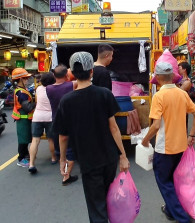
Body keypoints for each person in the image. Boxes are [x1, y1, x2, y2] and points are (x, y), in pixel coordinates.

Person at [53, 51, 129, 223]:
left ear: (71, 73)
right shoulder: (104, 94)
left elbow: (63, 136)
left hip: (88, 161)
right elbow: (114, 128)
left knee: (96, 206)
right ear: (92, 71)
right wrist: (123, 156)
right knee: (109, 195)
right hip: (109, 158)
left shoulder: (66, 101)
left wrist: (62, 159)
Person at [142, 61, 195, 223]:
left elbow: (155, 126)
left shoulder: (159, 96)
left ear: (159, 77)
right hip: (181, 145)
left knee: (164, 182)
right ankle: (170, 209)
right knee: (173, 179)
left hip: (164, 147)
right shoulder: (182, 93)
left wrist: (145, 140)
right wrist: (191, 135)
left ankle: (182, 218)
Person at [46, 64, 78, 185]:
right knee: (70, 150)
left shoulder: (48, 88)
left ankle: (62, 164)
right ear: (66, 75)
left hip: (55, 121)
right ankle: (66, 176)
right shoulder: (72, 84)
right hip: (70, 121)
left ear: (54, 75)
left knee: (61, 149)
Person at [28, 72, 56, 174]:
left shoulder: (38, 89)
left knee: (35, 140)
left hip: (37, 116)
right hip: (49, 117)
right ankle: (53, 158)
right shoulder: (54, 90)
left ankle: (31, 164)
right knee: (50, 139)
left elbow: (36, 102)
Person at [11, 68, 36, 167]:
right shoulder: (21, 93)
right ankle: (21, 159)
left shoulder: (22, 90)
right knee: (23, 140)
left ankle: (26, 155)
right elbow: (28, 108)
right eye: (25, 78)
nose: (27, 80)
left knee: (25, 139)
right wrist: (36, 103)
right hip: (23, 119)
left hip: (25, 119)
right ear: (20, 79)